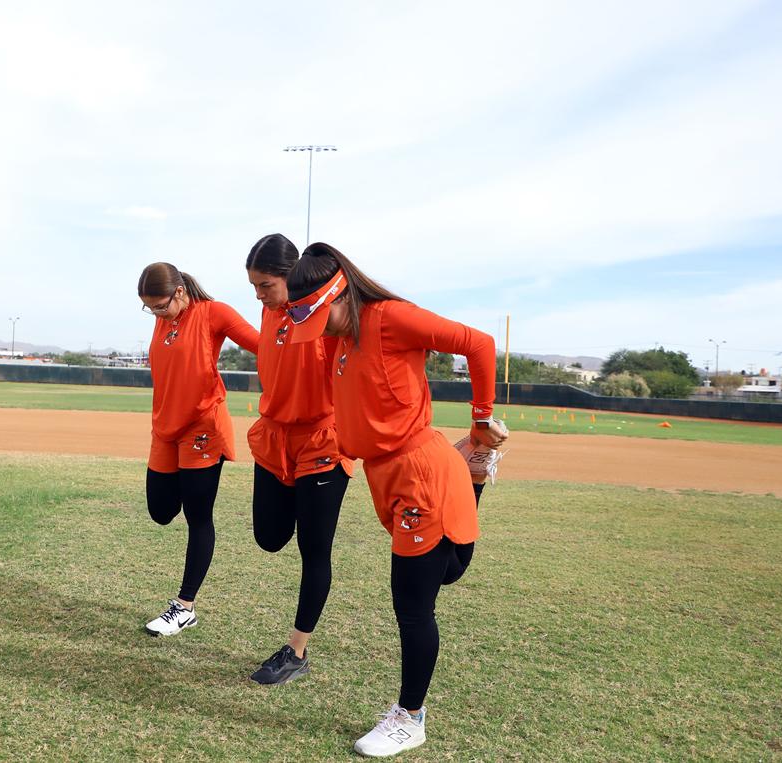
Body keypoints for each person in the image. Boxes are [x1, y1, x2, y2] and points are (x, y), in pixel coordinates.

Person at [285, 243, 507, 758]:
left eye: (323, 318)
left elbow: (478, 342)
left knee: (412, 604)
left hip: (418, 473)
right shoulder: (341, 339)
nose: (321, 332)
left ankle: (411, 718)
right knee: (444, 572)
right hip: (389, 475)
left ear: (341, 293)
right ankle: (472, 473)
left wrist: (480, 418)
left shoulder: (391, 318)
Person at [243, 234, 353, 685]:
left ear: (292, 278)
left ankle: (296, 649)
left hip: (321, 443)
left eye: (266, 285)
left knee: (314, 549)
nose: (259, 295)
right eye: (253, 286)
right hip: (274, 439)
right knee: (269, 537)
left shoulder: (326, 318)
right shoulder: (269, 312)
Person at [138, 262, 259, 637]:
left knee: (198, 515)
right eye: (149, 308)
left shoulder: (213, 313)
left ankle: (184, 606)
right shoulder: (164, 320)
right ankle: (187, 489)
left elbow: (264, 345)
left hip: (203, 429)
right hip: (166, 430)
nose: (155, 314)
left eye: (159, 306)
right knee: (160, 511)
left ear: (178, 292)